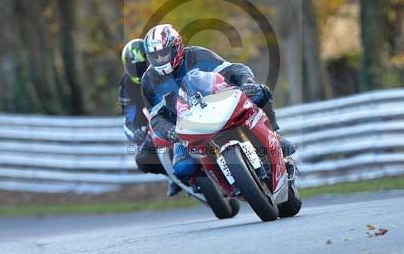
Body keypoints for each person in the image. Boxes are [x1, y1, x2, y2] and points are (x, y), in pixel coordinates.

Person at [141, 23, 296, 195]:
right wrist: (170, 131)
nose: (160, 59)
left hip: (218, 103)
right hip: (185, 125)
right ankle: (215, 184)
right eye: (154, 56)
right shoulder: (149, 81)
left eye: (164, 53)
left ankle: (275, 135)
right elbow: (155, 117)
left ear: (176, 47)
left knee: (260, 93)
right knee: (183, 168)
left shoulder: (196, 55)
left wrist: (247, 83)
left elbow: (233, 69)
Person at [118, 38, 165, 176]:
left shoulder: (162, 71)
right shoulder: (125, 87)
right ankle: (172, 177)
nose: (138, 69)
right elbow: (130, 116)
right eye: (134, 66)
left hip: (174, 114)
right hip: (151, 126)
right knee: (143, 160)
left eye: (142, 64)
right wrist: (138, 131)